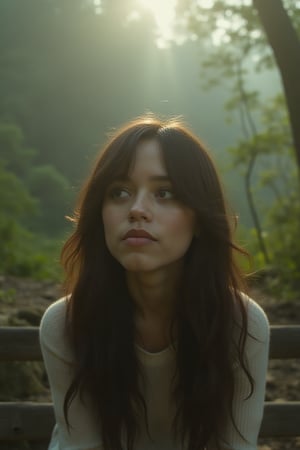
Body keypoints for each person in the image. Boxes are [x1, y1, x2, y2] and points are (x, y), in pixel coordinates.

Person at [39, 115, 270, 450]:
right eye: (119, 192)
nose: (137, 210)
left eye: (164, 193)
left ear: (200, 219)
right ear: (99, 213)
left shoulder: (242, 325)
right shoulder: (65, 324)